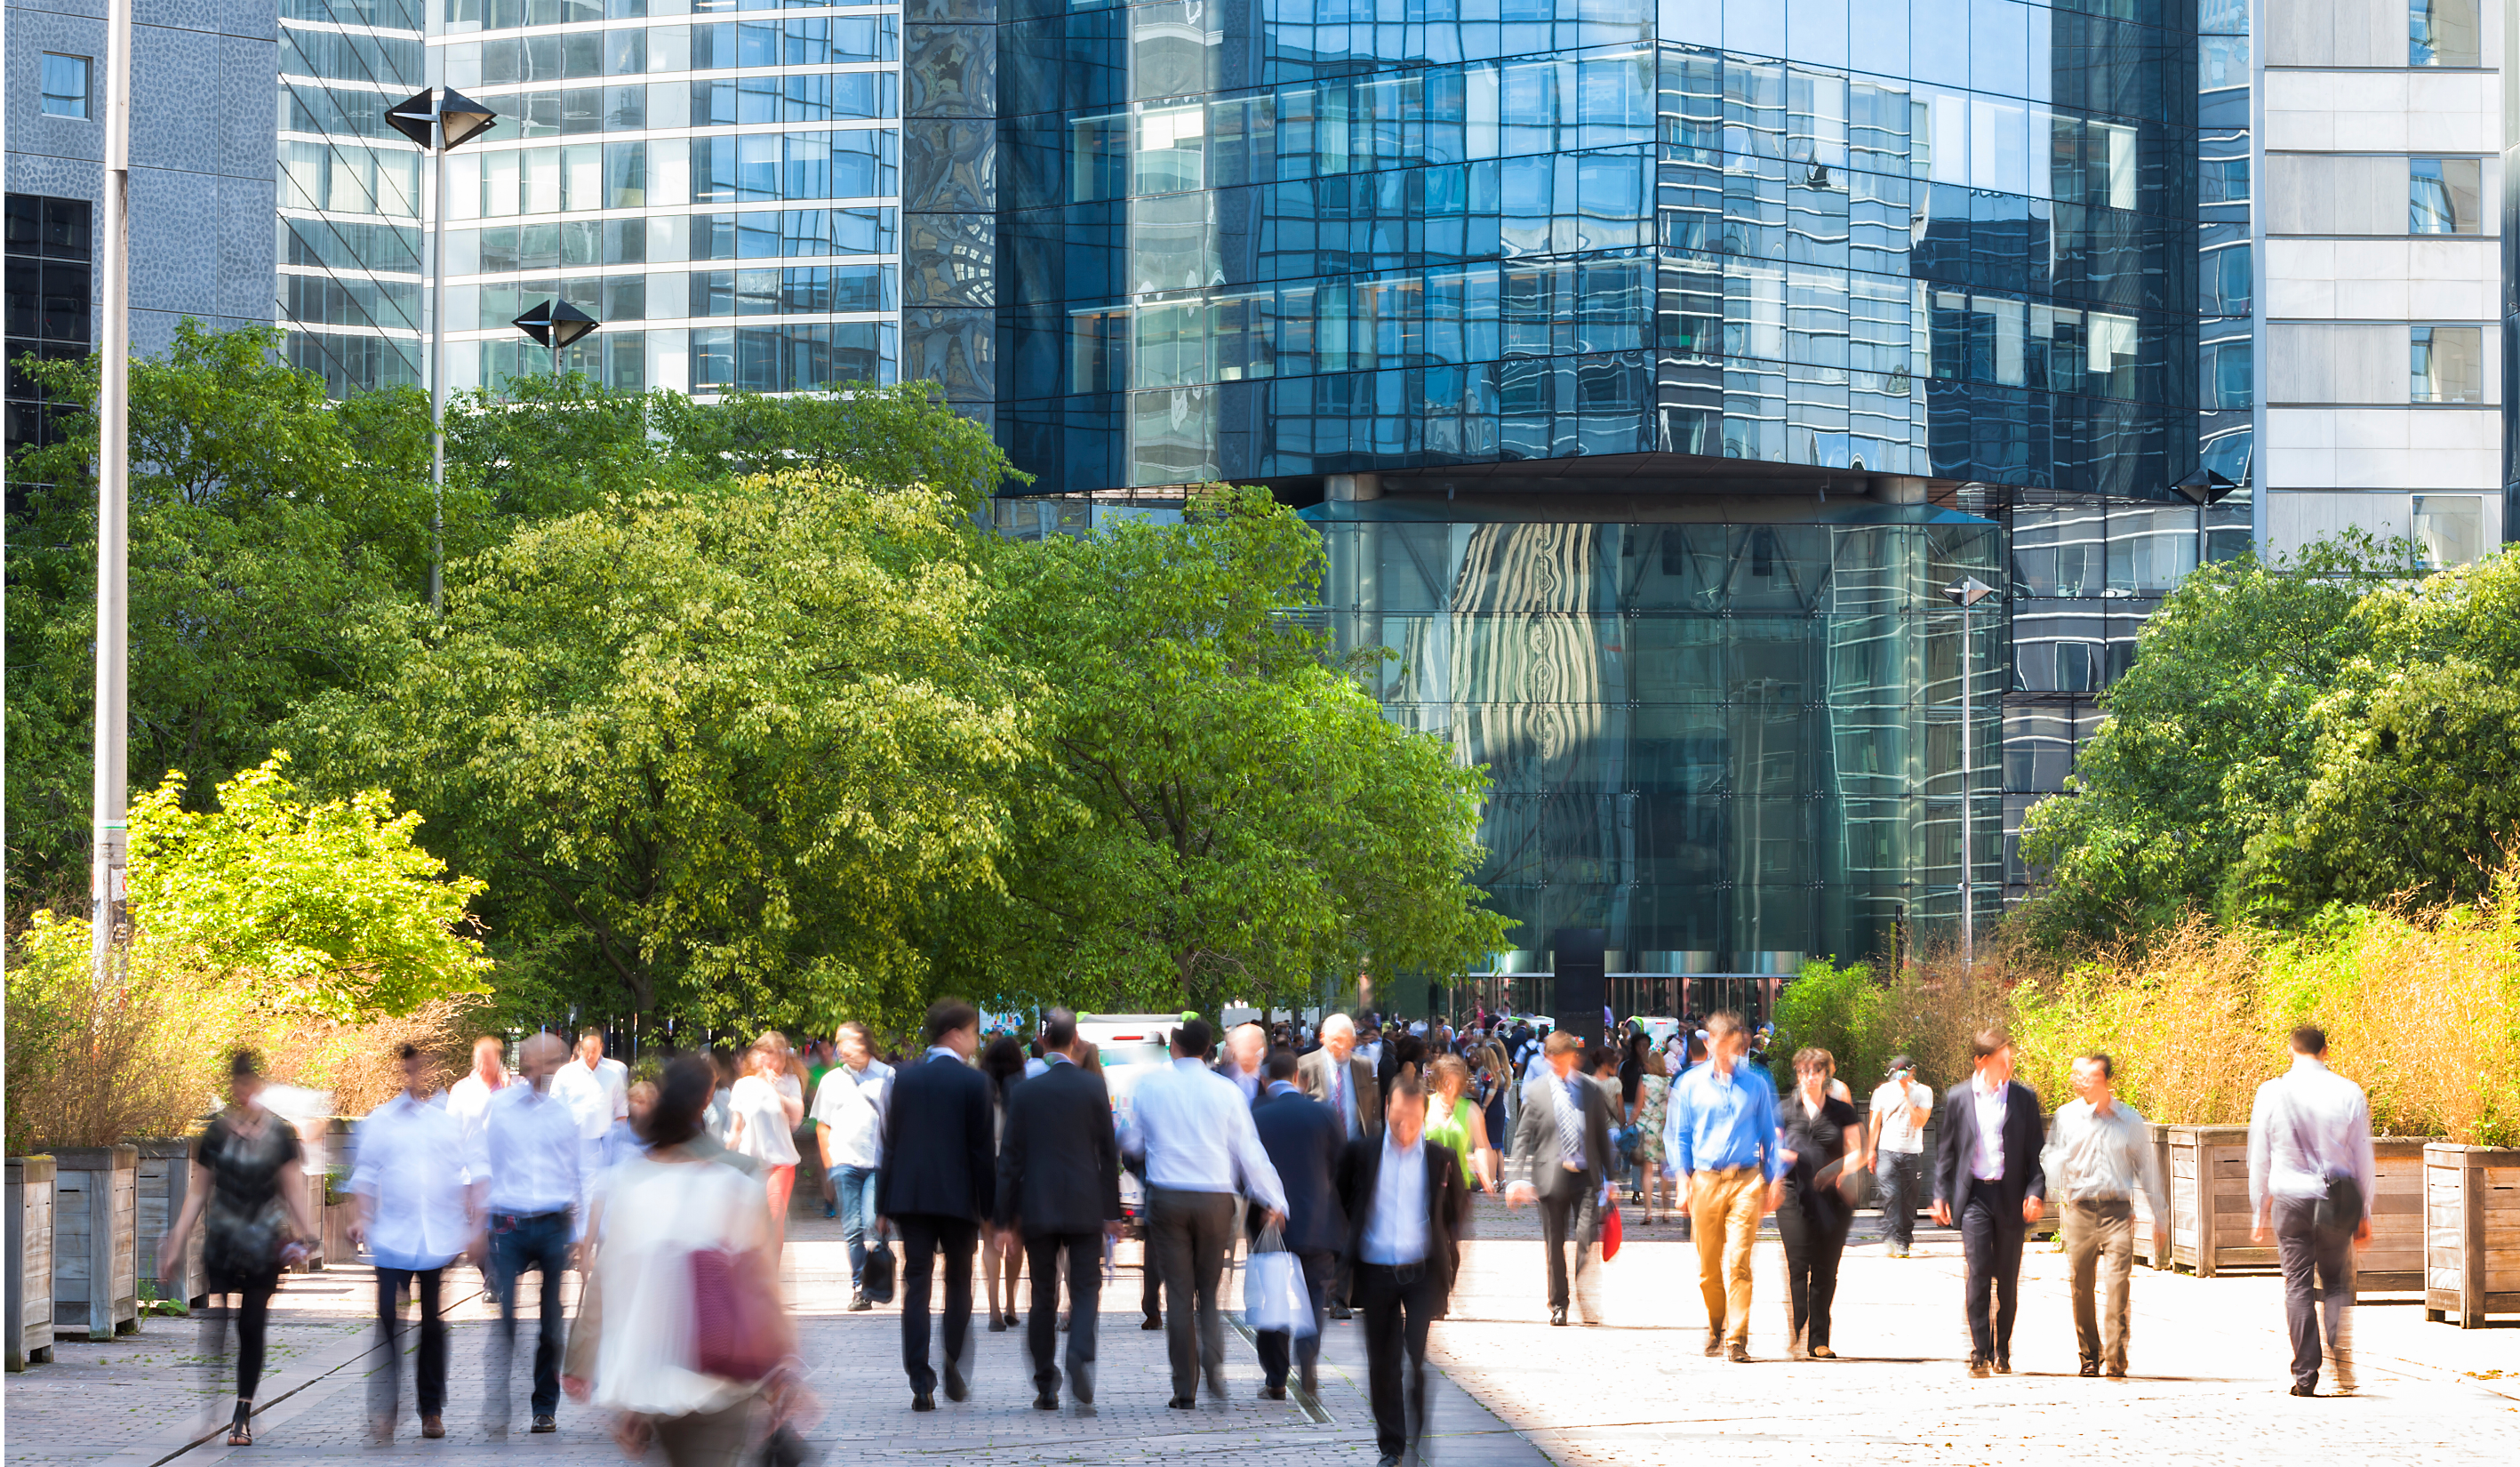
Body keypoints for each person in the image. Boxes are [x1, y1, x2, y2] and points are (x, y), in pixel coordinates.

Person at [584, 1054, 799, 1467]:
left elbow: (623, 1290)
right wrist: (781, 1374)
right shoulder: (735, 1183)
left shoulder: (631, 1183)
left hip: (652, 1383)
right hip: (720, 1379)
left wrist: (630, 1400)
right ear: (706, 1103)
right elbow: (761, 1288)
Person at [1122, 1017, 1289, 1408]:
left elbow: (1133, 1140)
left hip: (1168, 1198)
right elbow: (1249, 1150)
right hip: (1216, 1200)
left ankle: (1185, 1388)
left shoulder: (1150, 1085)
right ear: (1208, 1048)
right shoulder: (1226, 1091)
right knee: (1208, 1294)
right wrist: (1275, 1198)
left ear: (1173, 1047)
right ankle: (1214, 1368)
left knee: (1179, 1294)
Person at [156, 1051, 316, 1447]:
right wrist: (177, 1239)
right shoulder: (215, 1133)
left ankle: (241, 1415)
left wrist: (308, 1233)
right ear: (233, 1087)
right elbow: (198, 1191)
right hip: (224, 1241)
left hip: (264, 1243)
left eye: (250, 1084)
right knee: (216, 1327)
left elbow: (292, 1187)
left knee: (251, 1326)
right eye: (238, 1084)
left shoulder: (280, 1134)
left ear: (259, 1086)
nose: (244, 1092)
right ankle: (212, 1410)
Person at [1338, 1077, 1471, 1467]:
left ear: (1423, 1117)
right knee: (1383, 1362)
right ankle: (1392, 1446)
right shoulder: (1363, 1153)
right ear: (1386, 1111)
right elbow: (1342, 1191)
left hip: (1422, 1270)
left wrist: (1447, 1251)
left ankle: (1416, 1435)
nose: (1404, 1127)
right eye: (1397, 1117)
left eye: (1412, 1118)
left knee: (1415, 1356)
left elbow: (1455, 1210)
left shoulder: (1439, 1158)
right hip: (1375, 1270)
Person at [993, 1008, 1122, 1412]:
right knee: (1086, 1289)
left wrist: (1003, 1220)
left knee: (1042, 1295)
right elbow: (1107, 1151)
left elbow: (1010, 1159)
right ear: (1075, 1042)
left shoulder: (1026, 1092)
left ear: (1044, 1041)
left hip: (1039, 1207)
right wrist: (1112, 1211)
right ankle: (1079, 1352)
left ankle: (1046, 1384)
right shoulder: (1092, 1088)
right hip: (1085, 1205)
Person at [351, 1044, 474, 1440]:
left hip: (438, 1236)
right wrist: (362, 1217)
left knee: (433, 1325)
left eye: (423, 1068)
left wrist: (472, 1224)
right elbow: (366, 1173)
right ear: (403, 1072)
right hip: (393, 1236)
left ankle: (431, 1410)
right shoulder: (382, 1120)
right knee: (388, 1322)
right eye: (411, 1069)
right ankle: (386, 1409)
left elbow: (465, 1173)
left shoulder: (446, 1123)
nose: (417, 1075)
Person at [878, 999, 996, 1411]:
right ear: (956, 1034)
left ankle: (920, 1380)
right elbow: (982, 1153)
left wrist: (882, 1202)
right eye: (972, 1033)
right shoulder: (974, 1083)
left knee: (917, 1285)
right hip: (959, 1199)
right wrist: (990, 1209)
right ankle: (953, 1363)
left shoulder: (904, 1080)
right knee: (959, 1283)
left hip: (911, 1198)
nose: (974, 1042)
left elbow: (889, 1143)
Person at [2248, 1024, 2376, 1397]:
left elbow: (2259, 1154)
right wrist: (2365, 1210)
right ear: (2325, 1051)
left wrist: (2260, 1206)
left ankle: (2306, 1375)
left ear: (2291, 1050)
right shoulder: (2348, 1091)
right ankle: (2340, 1355)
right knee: (2336, 1281)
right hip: (2335, 1200)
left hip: (2289, 1199)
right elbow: (2362, 1157)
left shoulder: (2271, 1092)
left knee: (2297, 1284)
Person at [1662, 1011, 1785, 1360]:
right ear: (1709, 1042)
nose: (1726, 1050)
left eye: (1733, 1044)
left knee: (1739, 1261)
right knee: (1708, 1268)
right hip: (1705, 1180)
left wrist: (1774, 1178)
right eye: (1719, 1043)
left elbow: (1770, 1134)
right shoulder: (1688, 1084)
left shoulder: (1757, 1084)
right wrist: (1683, 1180)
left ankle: (1737, 1339)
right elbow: (1678, 1136)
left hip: (1746, 1179)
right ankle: (1718, 1324)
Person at [480, 1031, 585, 1434]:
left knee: (551, 1321)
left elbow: (577, 1171)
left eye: (557, 1061)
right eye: (547, 1061)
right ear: (528, 1066)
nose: (552, 1069)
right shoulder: (501, 1108)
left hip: (553, 1220)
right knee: (504, 1316)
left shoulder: (562, 1113)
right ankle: (498, 1399)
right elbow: (483, 1160)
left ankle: (544, 1406)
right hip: (509, 1221)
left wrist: (579, 1230)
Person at [2042, 1052, 2169, 1378]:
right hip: (2081, 1211)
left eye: (2087, 1076)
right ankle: (2089, 1355)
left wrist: (2161, 1215)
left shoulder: (2129, 1119)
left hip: (2117, 1212)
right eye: (2078, 1076)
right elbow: (2050, 1156)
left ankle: (2116, 1357)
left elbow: (2147, 1167)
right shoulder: (2067, 1116)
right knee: (2081, 1286)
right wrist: (2057, 1179)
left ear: (2104, 1079)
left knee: (2117, 1285)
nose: (2080, 1081)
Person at [1932, 1027, 2048, 1378]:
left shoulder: (2024, 1099)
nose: (2008, 1067)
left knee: (2008, 1280)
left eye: (2011, 1060)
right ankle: (1980, 1349)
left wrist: (2035, 1191)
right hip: (1975, 1198)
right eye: (2002, 1061)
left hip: (2012, 1197)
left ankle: (2003, 1350)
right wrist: (1940, 1193)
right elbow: (1947, 1151)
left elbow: (2036, 1156)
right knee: (1979, 1272)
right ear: (1981, 1061)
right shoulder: (1958, 1098)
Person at [1250, 1048, 1345, 1399]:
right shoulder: (1323, 1113)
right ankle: (1307, 1363)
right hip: (1318, 1223)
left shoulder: (1256, 1115)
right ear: (1297, 1078)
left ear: (1266, 1079)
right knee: (1315, 1295)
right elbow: (1341, 1164)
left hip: (1271, 1223)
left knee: (1273, 1298)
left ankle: (1275, 1378)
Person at [1504, 1030, 1616, 1327]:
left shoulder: (1591, 1090)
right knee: (1554, 1244)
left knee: (1585, 1238)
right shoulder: (1538, 1091)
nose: (1557, 1064)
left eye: (1562, 1058)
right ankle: (1559, 1304)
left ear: (1572, 1057)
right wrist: (1515, 1178)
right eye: (1552, 1060)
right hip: (1550, 1178)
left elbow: (1601, 1137)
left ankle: (1580, 1284)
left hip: (1586, 1178)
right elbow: (1523, 1135)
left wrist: (1611, 1179)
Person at [1777, 1048, 1864, 1360]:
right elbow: (1769, 1149)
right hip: (1792, 1195)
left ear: (1826, 1074)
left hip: (1834, 1200)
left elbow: (1859, 1153)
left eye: (1816, 1071)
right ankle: (1798, 1324)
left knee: (1825, 1269)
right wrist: (1784, 1156)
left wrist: (1837, 1168)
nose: (1809, 1077)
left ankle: (1818, 1340)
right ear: (1797, 1074)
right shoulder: (1784, 1110)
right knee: (1798, 1265)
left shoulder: (1842, 1112)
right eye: (1803, 1071)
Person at [811, 1020, 892, 1309]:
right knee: (852, 1229)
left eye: (845, 1040)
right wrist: (830, 1162)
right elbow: (823, 1125)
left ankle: (880, 1248)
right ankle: (860, 1287)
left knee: (871, 1221)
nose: (839, 1047)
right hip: (844, 1163)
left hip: (877, 1162)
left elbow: (895, 1123)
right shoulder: (831, 1080)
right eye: (837, 1041)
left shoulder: (887, 1076)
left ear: (864, 1042)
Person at [726, 1043, 803, 1255]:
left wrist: (774, 1090)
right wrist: (726, 1151)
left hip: (781, 1162)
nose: (767, 1059)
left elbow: (797, 1117)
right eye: (762, 1053)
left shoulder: (789, 1082)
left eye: (774, 1055)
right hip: (750, 1164)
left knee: (773, 1217)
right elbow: (736, 1128)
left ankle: (770, 1274)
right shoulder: (742, 1085)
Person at [980, 1034, 1030, 1332]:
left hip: (987, 1170)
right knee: (1016, 1239)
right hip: (1016, 1171)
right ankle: (1012, 1303)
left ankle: (994, 1309)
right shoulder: (1023, 1091)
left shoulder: (979, 1090)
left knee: (989, 1240)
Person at [1867, 1055, 1932, 1256]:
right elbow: (1874, 1122)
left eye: (1906, 1072)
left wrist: (1907, 1096)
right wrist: (1871, 1151)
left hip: (1912, 1152)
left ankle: (1904, 1241)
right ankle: (1892, 1239)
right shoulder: (1882, 1091)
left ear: (1913, 1071)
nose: (1902, 1076)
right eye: (1898, 1073)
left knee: (1909, 1201)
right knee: (1892, 1195)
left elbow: (1921, 1121)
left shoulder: (1923, 1091)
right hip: (1887, 1150)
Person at [553, 1028, 629, 1170]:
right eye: (587, 1050)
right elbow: (554, 1108)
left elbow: (621, 1111)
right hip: (572, 1142)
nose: (590, 1055)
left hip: (603, 1143)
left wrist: (618, 1142)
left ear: (601, 1048)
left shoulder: (613, 1073)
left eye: (594, 1050)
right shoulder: (565, 1074)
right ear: (580, 1050)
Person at [1424, 1054, 1500, 1192]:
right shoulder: (1425, 1105)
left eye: (1453, 1082)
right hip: (1428, 1183)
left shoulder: (1470, 1109)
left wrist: (1483, 1173)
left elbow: (1481, 1147)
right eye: (1444, 1081)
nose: (1448, 1086)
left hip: (1459, 1185)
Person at [447, 1035, 511, 1154]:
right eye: (479, 1062)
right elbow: (450, 1131)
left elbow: (518, 1124)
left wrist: (507, 1089)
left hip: (504, 1160)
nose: (483, 1068)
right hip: (471, 1163)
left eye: (488, 1063)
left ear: (498, 1060)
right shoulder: (461, 1089)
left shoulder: (515, 1086)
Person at [1632, 1049, 1672, 1222]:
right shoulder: (1669, 1082)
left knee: (1647, 1172)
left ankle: (1648, 1212)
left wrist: (1628, 1124)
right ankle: (1666, 1212)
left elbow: (1637, 1107)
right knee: (1664, 1172)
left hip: (1647, 1128)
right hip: (1664, 1129)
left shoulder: (1645, 1080)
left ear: (1650, 1065)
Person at [1218, 1022, 1268, 1103]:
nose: (1247, 1050)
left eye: (1252, 1045)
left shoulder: (1269, 1079)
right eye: (1243, 1044)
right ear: (1233, 1047)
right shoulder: (1220, 1076)